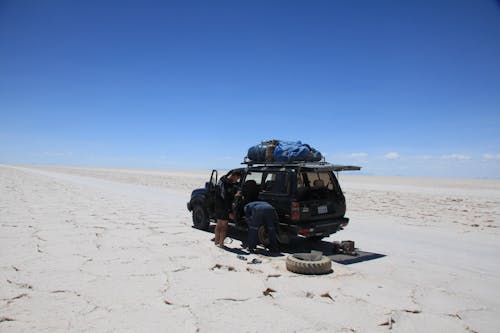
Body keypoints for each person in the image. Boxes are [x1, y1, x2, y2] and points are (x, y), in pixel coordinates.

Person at [214, 170, 241, 247]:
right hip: (224, 208)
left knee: (218, 224)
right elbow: (226, 198)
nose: (237, 180)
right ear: (234, 176)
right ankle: (221, 244)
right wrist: (229, 211)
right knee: (224, 226)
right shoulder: (226, 184)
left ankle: (216, 241)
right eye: (237, 178)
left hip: (218, 206)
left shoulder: (222, 180)